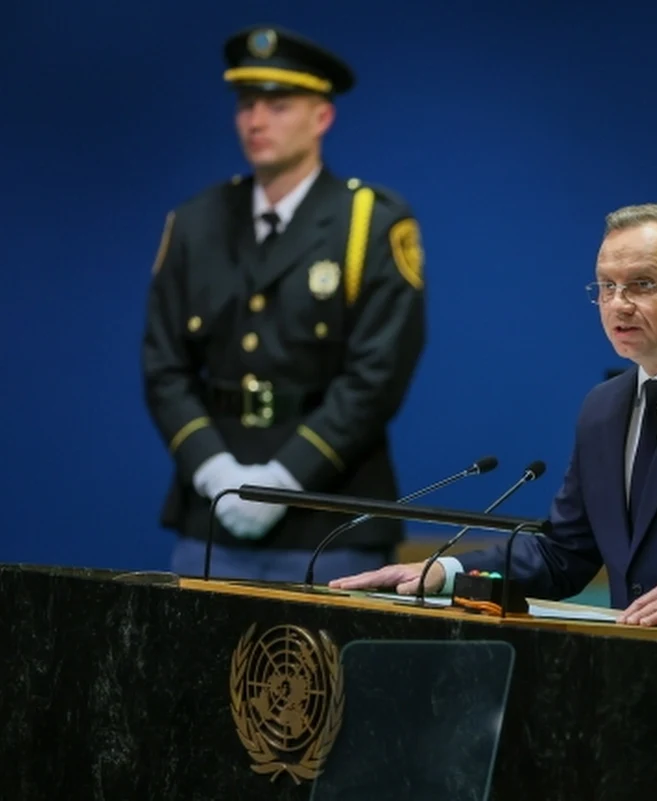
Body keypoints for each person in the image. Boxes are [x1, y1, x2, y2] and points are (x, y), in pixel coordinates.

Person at [331, 204, 657, 644]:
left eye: (643, 284)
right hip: (632, 675)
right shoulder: (604, 407)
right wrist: (447, 571)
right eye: (607, 287)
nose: (618, 304)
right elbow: (564, 553)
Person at [142, 24, 426, 583]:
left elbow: (378, 374)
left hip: (329, 518)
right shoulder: (195, 222)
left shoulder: (369, 223)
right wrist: (212, 469)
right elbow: (163, 366)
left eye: (279, 105)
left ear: (322, 117)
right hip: (211, 518)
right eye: (247, 104)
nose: (256, 120)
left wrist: (286, 477)